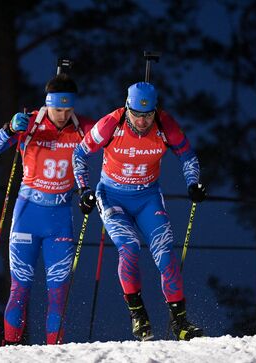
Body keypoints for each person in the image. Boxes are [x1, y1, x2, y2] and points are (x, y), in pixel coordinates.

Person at [72, 81, 207, 341]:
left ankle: (180, 323)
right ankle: (138, 315)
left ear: (155, 110)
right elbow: (80, 153)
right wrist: (84, 190)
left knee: (165, 253)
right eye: (136, 114)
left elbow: (187, 155)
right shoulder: (110, 123)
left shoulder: (165, 124)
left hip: (147, 197)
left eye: (148, 115)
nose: (143, 121)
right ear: (127, 108)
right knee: (130, 247)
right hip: (112, 196)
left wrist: (193, 183)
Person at [0, 73, 94, 345]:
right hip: (27, 216)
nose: (63, 115)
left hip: (60, 219)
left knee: (58, 293)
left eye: (68, 110)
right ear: (47, 104)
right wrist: (8, 129)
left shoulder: (83, 127)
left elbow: (115, 136)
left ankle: (55, 353)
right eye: (57, 109)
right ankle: (11, 348)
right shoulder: (29, 123)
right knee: (19, 290)